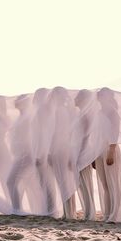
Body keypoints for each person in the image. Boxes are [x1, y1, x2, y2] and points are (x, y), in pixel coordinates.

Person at [94, 87, 121, 223]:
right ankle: (107, 213)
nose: (98, 97)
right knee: (104, 183)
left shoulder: (113, 113)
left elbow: (115, 132)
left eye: (101, 95)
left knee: (112, 183)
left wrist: (111, 151)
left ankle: (115, 215)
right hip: (98, 150)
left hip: (109, 148)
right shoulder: (99, 113)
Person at [49, 87, 77, 219]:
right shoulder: (67, 110)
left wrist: (49, 151)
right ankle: (70, 211)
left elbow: (54, 133)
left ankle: (68, 213)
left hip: (58, 148)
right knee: (66, 180)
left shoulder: (58, 111)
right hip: (66, 147)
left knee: (62, 180)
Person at [31, 88, 59, 217]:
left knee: (46, 182)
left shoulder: (42, 112)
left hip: (42, 152)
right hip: (40, 150)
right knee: (44, 181)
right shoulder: (41, 111)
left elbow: (44, 134)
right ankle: (48, 209)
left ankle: (50, 210)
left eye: (36, 96)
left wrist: (42, 153)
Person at [6, 94, 35, 214]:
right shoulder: (20, 117)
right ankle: (17, 208)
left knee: (11, 181)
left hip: (25, 155)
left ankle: (17, 209)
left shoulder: (28, 117)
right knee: (16, 182)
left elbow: (31, 136)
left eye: (18, 100)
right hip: (19, 154)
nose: (15, 101)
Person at [73, 89, 97, 221]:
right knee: (81, 183)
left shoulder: (85, 115)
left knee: (85, 182)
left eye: (77, 97)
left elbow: (85, 137)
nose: (74, 99)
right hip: (79, 150)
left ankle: (89, 213)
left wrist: (80, 152)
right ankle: (87, 212)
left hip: (83, 151)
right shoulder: (81, 114)